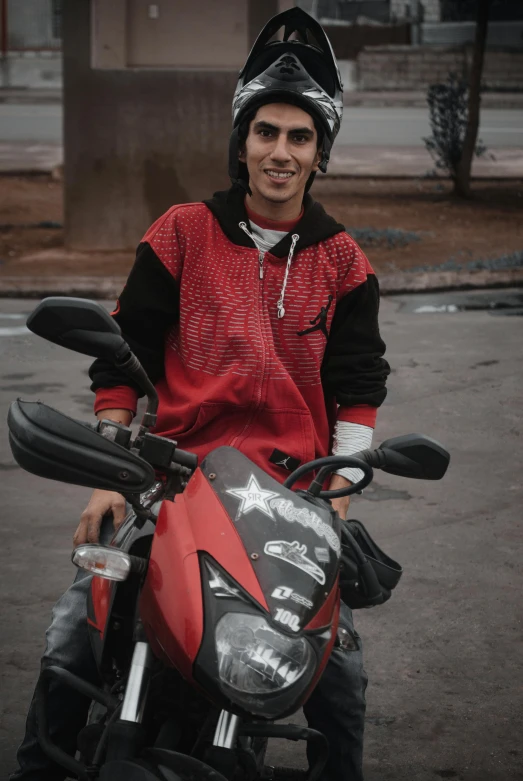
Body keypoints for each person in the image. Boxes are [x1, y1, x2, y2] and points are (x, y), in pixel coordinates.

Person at [10, 8, 389, 781]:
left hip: (288, 498)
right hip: (171, 484)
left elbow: (357, 394)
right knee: (75, 631)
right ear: (241, 141)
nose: (279, 152)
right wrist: (106, 475)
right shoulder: (180, 233)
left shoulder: (345, 263)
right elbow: (122, 360)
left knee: (338, 676)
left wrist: (335, 504)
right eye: (266, 132)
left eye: (299, 137)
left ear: (320, 154)